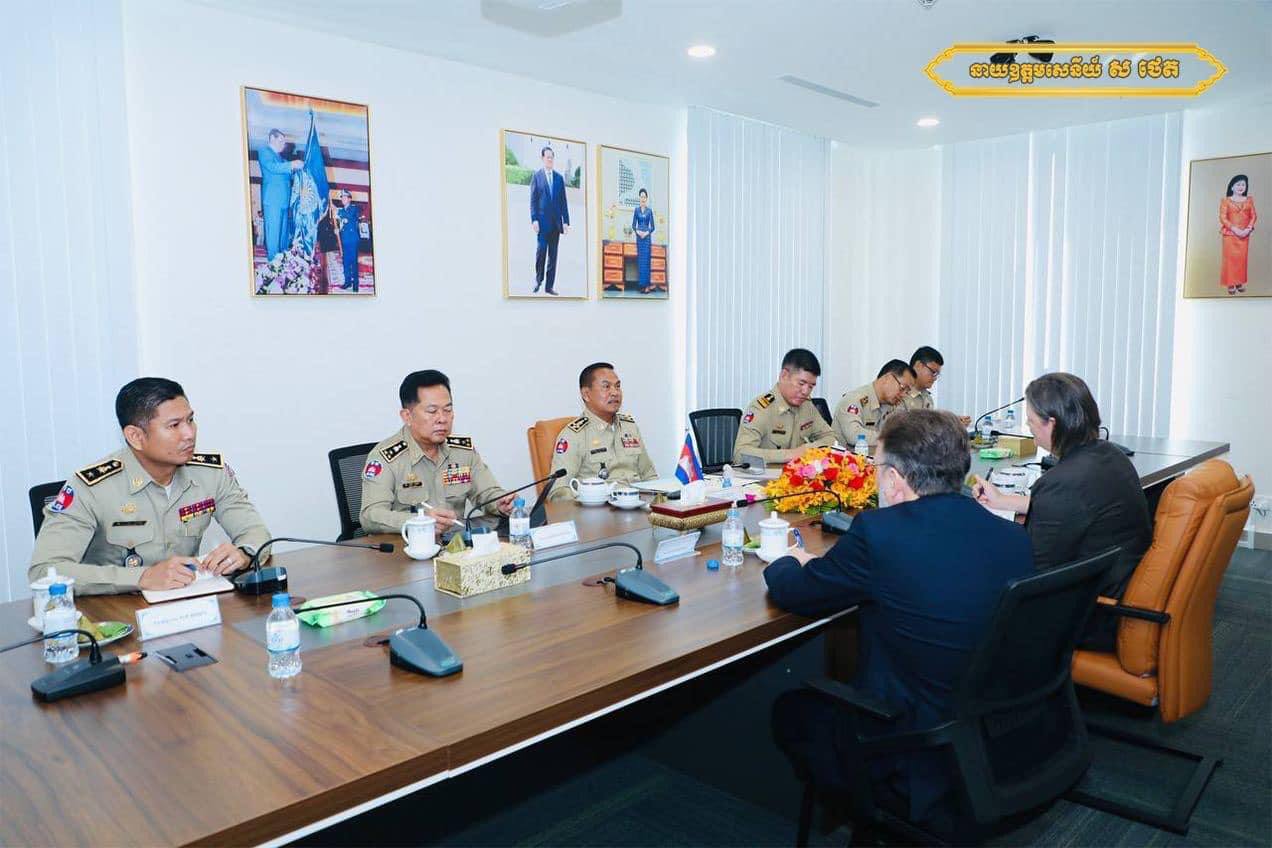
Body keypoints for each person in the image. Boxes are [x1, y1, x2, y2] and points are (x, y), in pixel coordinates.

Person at [766, 410, 1033, 833]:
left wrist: (785, 559)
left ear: (893, 480)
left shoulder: (879, 532)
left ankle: (857, 818)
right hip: (996, 735)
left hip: (912, 744)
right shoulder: (1015, 537)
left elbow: (796, 593)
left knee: (790, 710)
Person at [28, 378, 271, 595]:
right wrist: (141, 577)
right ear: (135, 436)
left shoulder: (210, 473)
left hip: (189, 605)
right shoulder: (91, 488)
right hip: (114, 613)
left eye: (190, 420)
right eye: (174, 425)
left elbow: (255, 531)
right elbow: (44, 571)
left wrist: (245, 553)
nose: (189, 433)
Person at [972, 372, 1151, 650]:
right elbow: (1081, 508)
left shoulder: (1063, 481)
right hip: (1120, 591)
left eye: (1031, 420)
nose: (1029, 427)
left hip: (1094, 615)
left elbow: (1035, 571)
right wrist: (1005, 500)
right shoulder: (1109, 455)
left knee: (976, 594)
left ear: (1052, 423)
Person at [361, 371, 515, 534]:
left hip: (456, 544)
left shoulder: (462, 451)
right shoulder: (385, 458)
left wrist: (501, 503)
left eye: (447, 410)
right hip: (408, 545)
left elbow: (486, 492)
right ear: (407, 416)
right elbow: (370, 516)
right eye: (432, 411)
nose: (442, 419)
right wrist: (419, 521)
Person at [549, 362, 658, 499]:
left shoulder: (629, 426)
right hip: (600, 509)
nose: (615, 393)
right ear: (586, 394)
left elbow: (649, 475)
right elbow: (558, 491)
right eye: (606, 387)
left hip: (638, 505)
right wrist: (586, 506)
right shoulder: (574, 435)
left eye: (617, 386)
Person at [733, 348, 836, 464]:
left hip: (799, 473)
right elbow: (740, 455)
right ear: (784, 375)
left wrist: (809, 449)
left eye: (811, 386)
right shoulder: (761, 408)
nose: (806, 391)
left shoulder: (807, 406)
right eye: (801, 383)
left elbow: (830, 437)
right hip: (770, 474)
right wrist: (791, 454)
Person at [833, 359, 915, 451]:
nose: (903, 395)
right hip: (845, 458)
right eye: (902, 388)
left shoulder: (891, 405)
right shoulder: (854, 400)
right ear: (887, 378)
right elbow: (853, 435)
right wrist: (890, 438)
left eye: (907, 392)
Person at [257, 129, 303, 261]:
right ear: (272, 138)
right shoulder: (264, 151)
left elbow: (289, 173)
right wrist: (292, 164)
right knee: (273, 235)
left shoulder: (281, 159)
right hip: (272, 200)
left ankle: (282, 263)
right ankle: (273, 265)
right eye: (281, 140)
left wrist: (301, 169)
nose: (284, 144)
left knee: (283, 236)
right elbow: (272, 167)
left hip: (283, 201)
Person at [530, 145, 570, 295]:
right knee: (541, 252)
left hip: (555, 224)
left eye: (552, 157)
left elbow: (563, 201)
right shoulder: (537, 176)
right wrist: (534, 219)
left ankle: (549, 286)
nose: (550, 160)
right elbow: (533, 200)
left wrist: (566, 221)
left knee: (553, 257)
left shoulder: (559, 178)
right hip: (542, 224)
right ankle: (538, 280)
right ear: (542, 158)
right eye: (548, 157)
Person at [1219, 174, 1257, 295]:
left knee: (1241, 261)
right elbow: (1223, 218)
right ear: (1232, 187)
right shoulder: (1225, 201)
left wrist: (1248, 228)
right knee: (1230, 260)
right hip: (1230, 235)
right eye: (1238, 184)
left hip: (1245, 235)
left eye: (1243, 184)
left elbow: (1253, 216)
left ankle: (1239, 282)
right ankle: (1230, 283)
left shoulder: (1249, 200)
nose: (1241, 187)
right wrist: (1235, 229)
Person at [336, 189, 362, 292]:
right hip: (344, 239)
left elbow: (348, 217)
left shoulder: (353, 209)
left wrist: (338, 212)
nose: (343, 199)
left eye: (345, 197)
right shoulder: (341, 211)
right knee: (345, 262)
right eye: (342, 197)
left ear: (350, 199)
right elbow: (341, 225)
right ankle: (347, 282)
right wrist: (337, 230)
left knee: (353, 262)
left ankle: (355, 284)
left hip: (352, 240)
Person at [632, 188, 655, 293]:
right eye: (641, 196)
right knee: (640, 262)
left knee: (646, 262)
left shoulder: (649, 211)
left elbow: (653, 227)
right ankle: (641, 285)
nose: (643, 198)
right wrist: (638, 232)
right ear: (639, 198)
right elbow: (633, 225)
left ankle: (647, 286)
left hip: (646, 239)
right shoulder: (636, 210)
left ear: (646, 198)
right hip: (639, 239)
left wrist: (646, 233)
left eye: (644, 197)